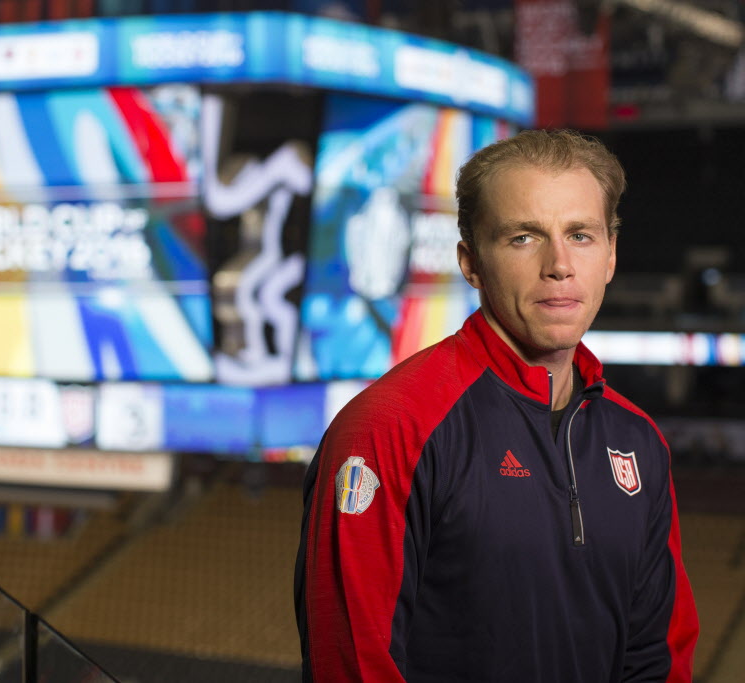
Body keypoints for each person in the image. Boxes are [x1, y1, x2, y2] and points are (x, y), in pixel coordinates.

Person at [294, 129, 698, 682]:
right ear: (471, 262)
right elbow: (353, 666)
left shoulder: (639, 440)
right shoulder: (388, 428)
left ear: (610, 256)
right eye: (523, 238)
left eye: (580, 235)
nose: (559, 264)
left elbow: (657, 657)